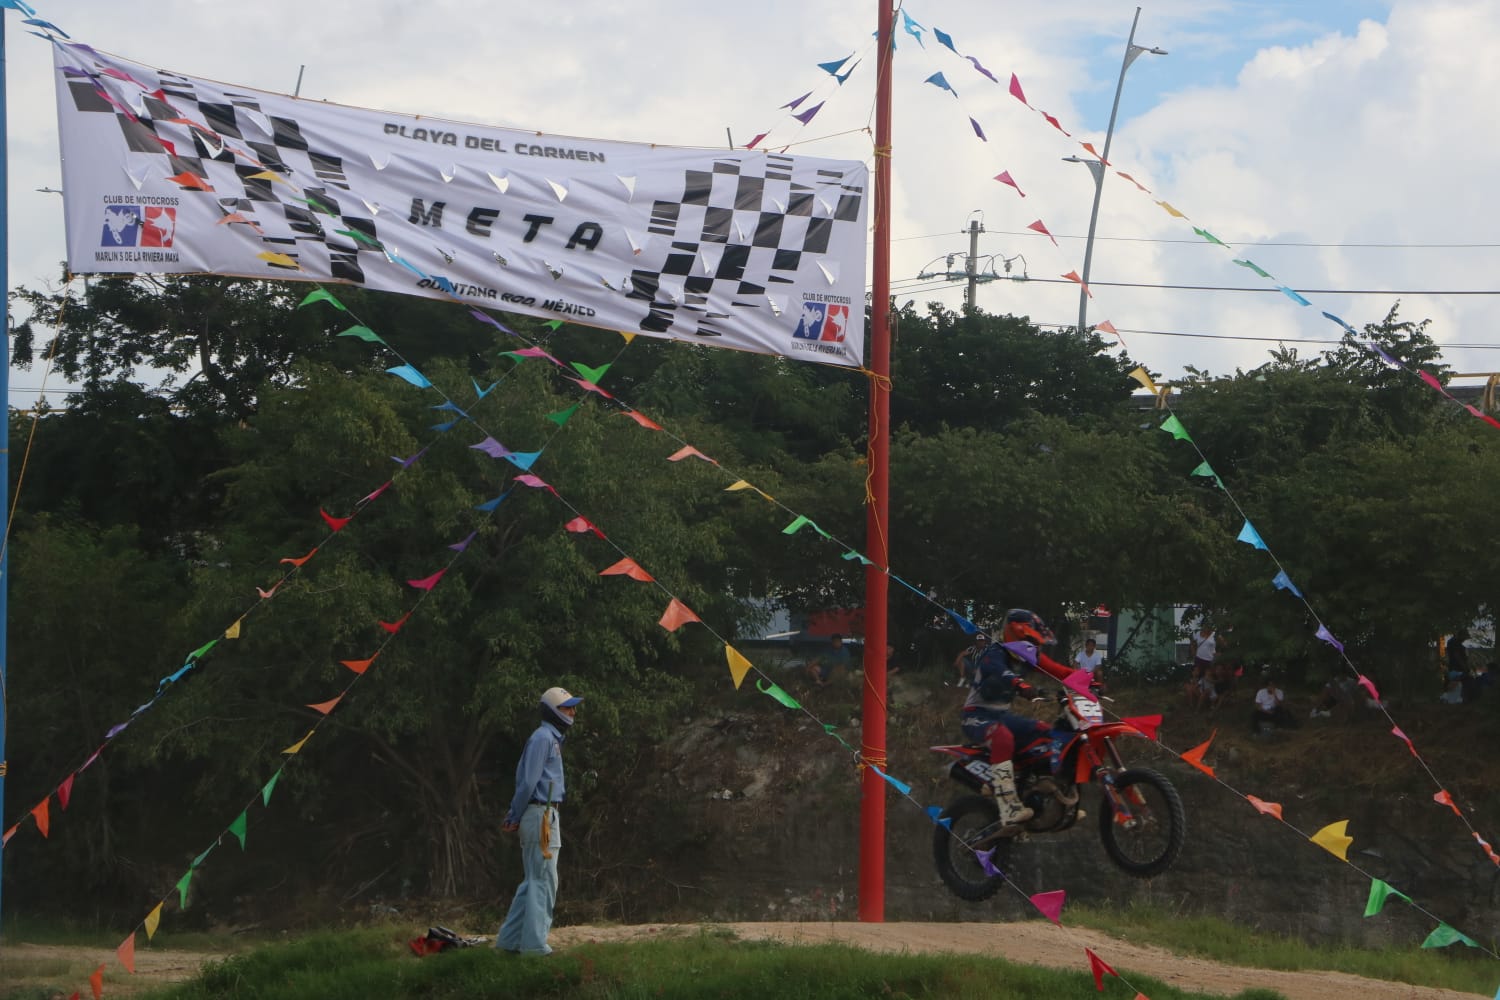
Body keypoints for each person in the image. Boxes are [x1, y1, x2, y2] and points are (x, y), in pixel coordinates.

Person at [960, 609, 1077, 831]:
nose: (1034, 646)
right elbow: (1002, 673)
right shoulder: (994, 654)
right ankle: (1008, 807)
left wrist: (1089, 681)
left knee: (1047, 733)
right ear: (1015, 635)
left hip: (1002, 716)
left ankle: (1045, 795)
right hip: (976, 715)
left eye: (1036, 642)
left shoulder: (1030, 657)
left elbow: (1061, 671)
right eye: (1030, 641)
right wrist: (1021, 685)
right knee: (1002, 737)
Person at [496, 686, 582, 957]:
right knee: (543, 880)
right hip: (541, 813)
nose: (573, 712)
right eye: (567, 707)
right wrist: (514, 815)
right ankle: (535, 948)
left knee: (533, 880)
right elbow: (527, 783)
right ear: (553, 711)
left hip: (542, 813)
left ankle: (509, 942)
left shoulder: (549, 738)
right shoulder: (543, 738)